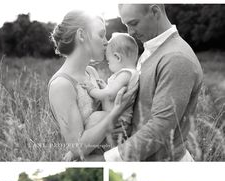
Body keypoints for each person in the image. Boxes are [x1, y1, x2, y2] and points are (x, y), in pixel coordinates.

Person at [104, 4, 203, 162]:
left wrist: (108, 160)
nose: (130, 32)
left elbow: (161, 127)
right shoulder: (150, 51)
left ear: (155, 11)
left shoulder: (176, 58)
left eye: (134, 23)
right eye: (126, 25)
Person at [48, 11, 132, 160]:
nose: (106, 42)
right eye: (101, 35)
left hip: (113, 155)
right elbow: (78, 148)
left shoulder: (91, 72)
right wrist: (114, 114)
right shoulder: (61, 85)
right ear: (81, 35)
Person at [86, 33, 139, 144]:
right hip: (117, 118)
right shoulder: (131, 74)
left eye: (109, 61)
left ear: (117, 57)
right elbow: (114, 92)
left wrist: (92, 90)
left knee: (95, 117)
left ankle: (82, 145)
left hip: (118, 120)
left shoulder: (125, 74)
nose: (108, 65)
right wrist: (105, 86)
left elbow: (109, 94)